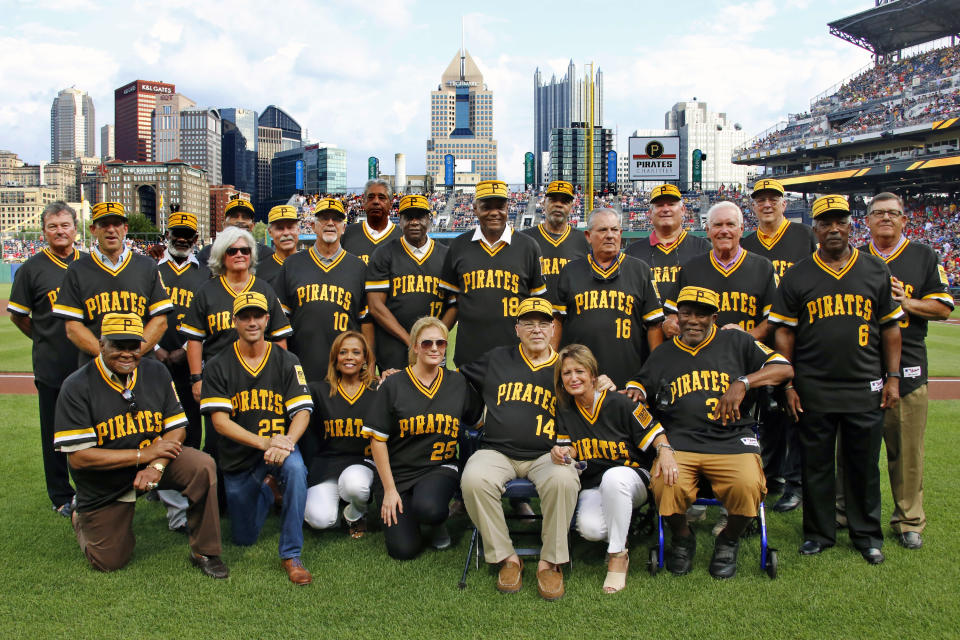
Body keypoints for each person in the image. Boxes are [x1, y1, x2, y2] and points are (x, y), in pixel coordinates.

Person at [769, 194, 904, 565]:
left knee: (863, 464)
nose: (833, 229)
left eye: (839, 222)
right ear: (815, 229)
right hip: (814, 385)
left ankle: (866, 534)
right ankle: (818, 532)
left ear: (850, 225)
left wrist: (893, 377)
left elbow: (891, 329)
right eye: (825, 223)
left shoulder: (875, 270)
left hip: (865, 384)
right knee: (816, 463)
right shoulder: (798, 274)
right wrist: (789, 383)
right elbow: (785, 335)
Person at [625, 286, 793, 579]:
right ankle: (682, 537)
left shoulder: (736, 341)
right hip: (681, 442)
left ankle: (729, 539)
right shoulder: (665, 352)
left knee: (748, 484)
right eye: (686, 313)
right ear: (677, 316)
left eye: (701, 315)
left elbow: (783, 367)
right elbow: (642, 382)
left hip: (732, 440)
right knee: (666, 484)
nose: (692, 320)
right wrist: (635, 390)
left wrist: (743, 382)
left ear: (714, 317)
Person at [54, 312, 227, 578]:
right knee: (109, 561)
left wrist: (156, 465)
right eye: (118, 345)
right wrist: (141, 455)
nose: (127, 353)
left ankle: (205, 551)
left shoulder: (155, 371)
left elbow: (177, 427)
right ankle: (81, 517)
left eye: (133, 346)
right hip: (105, 480)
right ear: (101, 344)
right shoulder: (77, 385)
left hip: (151, 463)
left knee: (202, 465)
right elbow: (79, 457)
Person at [459, 298, 580, 601]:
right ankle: (506, 558)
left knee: (563, 479)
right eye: (528, 323)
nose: (536, 329)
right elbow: (457, 378)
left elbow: (591, 398)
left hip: (546, 454)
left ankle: (550, 561)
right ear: (517, 329)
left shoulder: (567, 367)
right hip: (498, 451)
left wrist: (602, 383)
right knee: (474, 478)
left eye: (543, 323)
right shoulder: (497, 359)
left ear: (554, 329)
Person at [859, 192, 952, 549]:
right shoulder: (854, 258)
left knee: (907, 453)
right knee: (853, 452)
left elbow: (943, 306)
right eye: (878, 213)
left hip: (909, 368)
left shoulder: (923, 256)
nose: (886, 218)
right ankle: (847, 513)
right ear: (866, 221)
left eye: (893, 213)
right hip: (860, 368)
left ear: (904, 220)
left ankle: (909, 520)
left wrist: (906, 302)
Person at [200, 292, 314, 584]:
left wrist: (286, 442)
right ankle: (267, 489)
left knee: (296, 470)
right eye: (245, 316)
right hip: (241, 454)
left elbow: (302, 411)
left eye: (257, 316)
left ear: (267, 319)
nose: (252, 322)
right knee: (244, 537)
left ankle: (291, 554)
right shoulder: (217, 364)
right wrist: (265, 443)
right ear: (234, 321)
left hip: (280, 448)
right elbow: (220, 423)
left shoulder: (287, 360)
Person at [362, 316, 481, 560]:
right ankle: (411, 515)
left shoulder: (457, 382)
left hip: (439, 467)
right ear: (415, 346)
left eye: (441, 343)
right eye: (427, 343)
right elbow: (377, 441)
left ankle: (435, 521)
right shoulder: (393, 384)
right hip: (398, 473)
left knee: (430, 508)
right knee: (402, 550)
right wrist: (390, 491)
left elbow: (480, 422)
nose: (435, 348)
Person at [741, 179, 817, 513]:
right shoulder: (746, 243)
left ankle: (796, 483)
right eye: (761, 200)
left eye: (773, 199)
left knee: (794, 413)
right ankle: (771, 475)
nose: (767, 204)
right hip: (758, 345)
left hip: (798, 340)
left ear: (784, 204)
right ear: (754, 206)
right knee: (766, 416)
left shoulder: (804, 237)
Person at [554, 344, 655, 594]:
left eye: (579, 371)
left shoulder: (620, 402)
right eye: (567, 373)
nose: (573, 378)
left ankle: (618, 556)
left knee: (614, 477)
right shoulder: (566, 410)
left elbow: (657, 433)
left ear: (593, 375)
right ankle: (620, 530)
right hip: (595, 482)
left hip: (632, 478)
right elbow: (574, 450)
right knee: (590, 530)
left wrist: (666, 452)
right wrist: (563, 453)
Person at [8, 201, 80, 516]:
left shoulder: (90, 264)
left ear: (76, 230)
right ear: (44, 232)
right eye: (53, 226)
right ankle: (61, 496)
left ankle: (95, 490)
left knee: (96, 428)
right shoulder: (31, 269)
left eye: (65, 225)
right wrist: (44, 337)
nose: (60, 231)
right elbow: (19, 316)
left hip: (90, 364)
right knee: (54, 433)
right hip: (52, 365)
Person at [555, 207, 664, 388]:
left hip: (629, 374)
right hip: (578, 376)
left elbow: (654, 325)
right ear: (588, 236)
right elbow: (557, 321)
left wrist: (656, 370)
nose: (610, 235)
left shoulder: (640, 270)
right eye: (603, 230)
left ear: (621, 233)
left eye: (614, 230)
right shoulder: (570, 271)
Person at [53, 202, 173, 366]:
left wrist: (133, 355)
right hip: (94, 367)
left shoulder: (147, 266)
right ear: (93, 230)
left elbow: (160, 321)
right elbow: (72, 327)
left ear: (125, 229)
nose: (111, 229)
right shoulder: (77, 269)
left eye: (116, 224)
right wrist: (107, 357)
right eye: (104, 224)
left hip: (142, 366)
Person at [153, 211, 210, 533]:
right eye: (177, 233)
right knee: (157, 426)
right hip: (155, 362)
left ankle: (185, 486)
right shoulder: (152, 271)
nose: (182, 238)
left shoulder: (203, 276)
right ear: (167, 235)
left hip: (189, 363)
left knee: (190, 427)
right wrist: (157, 349)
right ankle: (161, 484)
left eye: (188, 234)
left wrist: (184, 352)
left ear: (196, 239)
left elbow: (205, 322)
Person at [276, 198, 372, 382]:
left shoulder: (358, 267)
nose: (330, 223)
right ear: (313, 226)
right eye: (324, 218)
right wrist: (283, 365)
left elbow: (365, 322)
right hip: (302, 366)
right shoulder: (292, 264)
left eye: (336, 219)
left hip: (346, 371)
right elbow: (280, 323)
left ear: (343, 228)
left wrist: (368, 364)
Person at [665, 201, 777, 341]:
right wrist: (670, 323)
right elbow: (672, 313)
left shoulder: (763, 267)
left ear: (741, 229)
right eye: (718, 225)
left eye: (730, 224)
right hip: (702, 355)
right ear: (708, 231)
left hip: (748, 354)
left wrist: (747, 337)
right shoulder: (691, 268)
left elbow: (773, 319)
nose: (724, 230)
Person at [304, 331, 378, 538]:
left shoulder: (378, 390)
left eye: (356, 352)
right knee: (319, 519)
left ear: (365, 358)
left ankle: (355, 513)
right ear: (335, 358)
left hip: (362, 463)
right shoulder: (317, 390)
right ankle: (336, 509)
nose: (349, 357)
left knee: (355, 485)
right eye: (343, 352)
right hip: (327, 464)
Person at [366, 194, 454, 370]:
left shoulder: (447, 256)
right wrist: (411, 341)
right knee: (395, 395)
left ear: (429, 219)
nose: (414, 222)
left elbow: (454, 305)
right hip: (393, 348)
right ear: (400, 221)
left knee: (434, 395)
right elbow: (376, 306)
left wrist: (433, 339)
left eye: (420, 216)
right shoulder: (384, 254)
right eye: (408, 217)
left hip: (433, 349)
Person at [624, 183, 710, 320]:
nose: (665, 209)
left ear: (683, 210)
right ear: (650, 213)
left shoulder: (703, 248)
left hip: (690, 334)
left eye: (671, 204)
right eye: (659, 205)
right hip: (645, 335)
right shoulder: (633, 252)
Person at [519, 180, 589, 305]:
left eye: (564, 201)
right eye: (553, 200)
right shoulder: (525, 239)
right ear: (544, 203)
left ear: (571, 207)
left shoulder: (583, 240)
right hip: (536, 318)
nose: (558, 205)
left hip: (570, 318)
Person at [197, 197, 273, 266]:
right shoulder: (207, 253)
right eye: (234, 216)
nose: (240, 221)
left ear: (252, 226)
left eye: (245, 217)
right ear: (224, 225)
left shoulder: (266, 254)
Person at [341, 178, 401, 264]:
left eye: (381, 197)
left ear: (391, 204)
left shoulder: (403, 236)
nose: (376, 201)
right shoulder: (347, 234)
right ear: (364, 202)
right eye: (371, 197)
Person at [256, 205, 301, 289]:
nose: (286, 233)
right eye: (280, 228)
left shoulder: (312, 266)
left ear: (298, 230)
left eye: (290, 227)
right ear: (270, 232)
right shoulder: (259, 272)